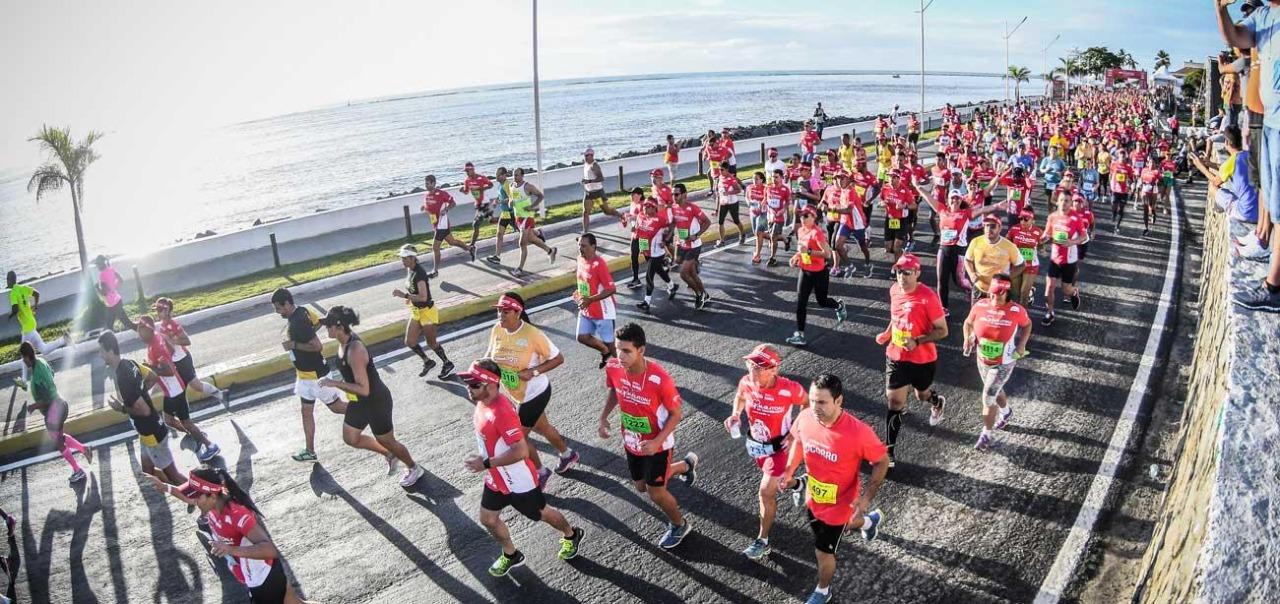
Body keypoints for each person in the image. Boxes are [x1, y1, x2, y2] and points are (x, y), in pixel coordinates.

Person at [459, 359, 585, 577]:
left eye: (474, 384)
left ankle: (571, 534)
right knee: (488, 518)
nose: (468, 388)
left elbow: (521, 451)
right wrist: (484, 459)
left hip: (519, 480)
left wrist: (485, 463)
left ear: (491, 384)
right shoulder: (482, 404)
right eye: (468, 383)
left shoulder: (502, 412)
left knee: (542, 514)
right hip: (496, 478)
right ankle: (511, 554)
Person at [778, 373, 888, 604]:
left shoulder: (858, 432)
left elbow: (882, 461)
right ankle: (869, 522)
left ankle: (823, 590)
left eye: (822, 402)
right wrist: (789, 471)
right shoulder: (806, 417)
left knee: (823, 551)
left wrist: (866, 498)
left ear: (839, 401)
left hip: (841, 504)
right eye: (812, 400)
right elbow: (798, 440)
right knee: (846, 525)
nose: (814, 407)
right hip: (814, 498)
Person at [145, 467, 313, 603]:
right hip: (255, 575)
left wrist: (229, 549)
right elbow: (187, 498)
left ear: (211, 496)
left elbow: (269, 549)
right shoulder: (211, 506)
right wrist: (165, 487)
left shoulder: (236, 514)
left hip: (264, 579)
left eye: (197, 496)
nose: (194, 501)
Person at [598, 322, 699, 549]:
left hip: (658, 444)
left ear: (641, 350)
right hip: (632, 441)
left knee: (655, 492)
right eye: (618, 349)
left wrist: (656, 442)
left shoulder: (660, 379)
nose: (620, 356)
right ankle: (684, 466)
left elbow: (676, 415)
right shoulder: (613, 367)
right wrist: (604, 417)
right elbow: (614, 389)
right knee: (641, 486)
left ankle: (679, 524)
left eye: (627, 351)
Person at [316, 306, 425, 486]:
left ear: (339, 326)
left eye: (328, 325)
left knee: (387, 440)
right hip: (359, 403)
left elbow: (364, 389)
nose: (326, 329)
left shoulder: (355, 349)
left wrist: (335, 383)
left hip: (375, 401)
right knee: (351, 437)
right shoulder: (343, 344)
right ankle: (389, 454)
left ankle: (413, 467)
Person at [1220, 0, 1280, 311]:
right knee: (1270, 193)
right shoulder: (1264, 18)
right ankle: (1271, 272)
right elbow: (1235, 37)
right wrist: (1220, 9)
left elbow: (1234, 62)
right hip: (1267, 119)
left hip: (1271, 121)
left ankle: (1274, 286)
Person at [724, 344, 807, 560]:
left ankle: (763, 540)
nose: (752, 370)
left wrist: (793, 434)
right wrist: (735, 415)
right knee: (780, 483)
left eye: (758, 367)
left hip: (780, 449)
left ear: (773, 370)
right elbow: (741, 396)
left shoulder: (789, 389)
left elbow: (807, 404)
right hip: (758, 445)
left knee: (765, 492)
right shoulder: (747, 382)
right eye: (751, 364)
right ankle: (799, 484)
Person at [487, 293, 578, 485]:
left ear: (517, 313)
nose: (500, 316)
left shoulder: (533, 335)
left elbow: (558, 358)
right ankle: (567, 454)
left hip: (534, 393)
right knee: (542, 427)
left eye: (505, 312)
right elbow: (489, 357)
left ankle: (540, 471)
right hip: (515, 393)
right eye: (498, 311)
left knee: (516, 439)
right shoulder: (497, 330)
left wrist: (534, 371)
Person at [874, 254, 948, 466]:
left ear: (917, 273)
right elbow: (896, 317)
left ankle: (936, 401)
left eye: (907, 273)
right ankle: (889, 451)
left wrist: (918, 341)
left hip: (922, 358)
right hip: (896, 354)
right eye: (898, 272)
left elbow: (942, 331)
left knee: (921, 394)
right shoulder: (894, 290)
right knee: (895, 401)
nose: (902, 277)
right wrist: (887, 333)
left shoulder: (928, 297)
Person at [270, 288, 348, 463]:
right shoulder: (303, 311)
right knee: (313, 411)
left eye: (278, 308)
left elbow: (317, 346)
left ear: (288, 304)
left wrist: (293, 344)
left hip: (313, 376)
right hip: (306, 374)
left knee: (334, 408)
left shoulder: (297, 321)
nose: (277, 312)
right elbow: (317, 322)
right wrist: (307, 333)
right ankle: (310, 451)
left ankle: (368, 411)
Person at [98, 331, 185, 485]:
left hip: (153, 434)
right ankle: (182, 492)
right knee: (147, 471)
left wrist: (122, 408)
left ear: (110, 351)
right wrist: (142, 392)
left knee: (173, 475)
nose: (100, 355)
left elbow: (143, 411)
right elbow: (152, 376)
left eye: (101, 351)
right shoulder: (130, 363)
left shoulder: (123, 378)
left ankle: (198, 494)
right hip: (147, 432)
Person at [136, 315, 222, 462]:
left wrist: (152, 368)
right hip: (170, 390)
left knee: (185, 421)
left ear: (149, 330)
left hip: (174, 391)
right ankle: (197, 434)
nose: (138, 334)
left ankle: (209, 445)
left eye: (140, 331)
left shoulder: (156, 346)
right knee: (169, 420)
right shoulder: (154, 341)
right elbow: (169, 352)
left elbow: (169, 371)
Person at [962, 274, 1032, 451]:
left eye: (998, 294)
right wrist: (968, 337)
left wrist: (1022, 345)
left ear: (1007, 292)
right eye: (992, 293)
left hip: (1004, 362)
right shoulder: (980, 305)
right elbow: (968, 322)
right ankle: (1007, 411)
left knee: (987, 397)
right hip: (982, 358)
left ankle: (986, 433)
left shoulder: (1016, 311)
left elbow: (1028, 325)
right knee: (994, 390)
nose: (994, 297)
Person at [17, 342, 92, 483]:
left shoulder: (37, 370)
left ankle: (78, 470)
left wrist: (33, 406)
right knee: (60, 439)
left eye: (23, 357)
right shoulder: (40, 362)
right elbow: (51, 373)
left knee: (58, 443)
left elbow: (47, 398)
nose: (23, 360)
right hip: (58, 405)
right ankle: (84, 449)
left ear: (27, 356)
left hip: (55, 408)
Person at [786, 208, 848, 347]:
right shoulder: (801, 231)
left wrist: (808, 251)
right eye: (801, 216)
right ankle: (800, 334)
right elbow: (800, 249)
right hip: (805, 271)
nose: (802, 218)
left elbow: (826, 254)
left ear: (813, 217)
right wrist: (795, 257)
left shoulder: (817, 233)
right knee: (801, 302)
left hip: (819, 273)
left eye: (806, 216)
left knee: (822, 301)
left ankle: (839, 306)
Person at [150, 297, 228, 408]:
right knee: (178, 389)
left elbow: (187, 341)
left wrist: (171, 340)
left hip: (182, 360)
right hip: (172, 362)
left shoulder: (174, 325)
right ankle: (182, 415)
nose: (157, 313)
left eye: (159, 310)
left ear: (167, 311)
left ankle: (221, 394)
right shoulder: (159, 326)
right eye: (157, 310)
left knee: (196, 385)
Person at [392, 244, 455, 379]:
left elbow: (423, 297)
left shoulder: (419, 274)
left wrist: (405, 296)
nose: (402, 261)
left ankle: (447, 363)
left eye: (404, 258)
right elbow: (413, 289)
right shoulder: (410, 269)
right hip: (416, 311)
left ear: (412, 258)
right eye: (401, 258)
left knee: (431, 343)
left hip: (427, 312)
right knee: (410, 341)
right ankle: (428, 361)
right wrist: (409, 298)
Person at [1041, 194, 1089, 326]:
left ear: (1070, 203)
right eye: (1061, 200)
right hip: (1055, 259)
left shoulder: (1076, 218)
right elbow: (1047, 234)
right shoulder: (1052, 217)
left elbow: (1084, 236)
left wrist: (1072, 242)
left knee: (1066, 289)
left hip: (1069, 260)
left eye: (1067, 201)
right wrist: (1043, 239)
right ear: (1058, 201)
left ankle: (1074, 292)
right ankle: (1050, 313)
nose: (1064, 203)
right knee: (1049, 288)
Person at [6, 271, 67, 374]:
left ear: (10, 280)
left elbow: (15, 309)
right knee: (44, 349)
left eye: (7, 279)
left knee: (24, 354)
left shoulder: (13, 293)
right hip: (32, 324)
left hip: (26, 329)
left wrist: (10, 315)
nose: (7, 281)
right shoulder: (23, 288)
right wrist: (35, 306)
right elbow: (36, 294)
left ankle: (24, 381)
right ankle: (63, 340)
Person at [574, 233, 618, 368]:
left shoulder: (599, 264)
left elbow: (611, 289)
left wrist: (590, 299)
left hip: (603, 312)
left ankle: (632, 372)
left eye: (584, 246)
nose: (581, 248)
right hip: (586, 308)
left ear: (593, 247)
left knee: (613, 347)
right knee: (582, 337)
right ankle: (604, 351)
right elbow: (584, 280)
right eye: (579, 245)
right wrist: (579, 293)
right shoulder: (580, 259)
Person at [421, 174, 476, 275]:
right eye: (425, 183)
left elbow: (453, 203)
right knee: (452, 242)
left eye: (428, 183)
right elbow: (429, 207)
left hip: (442, 225)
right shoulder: (427, 195)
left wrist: (446, 209)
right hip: (437, 224)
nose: (426, 185)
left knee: (435, 247)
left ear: (433, 183)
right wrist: (424, 208)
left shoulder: (441, 193)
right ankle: (470, 248)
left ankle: (435, 270)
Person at [964, 216, 1026, 305]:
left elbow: (1021, 265)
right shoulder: (975, 242)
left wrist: (1008, 277)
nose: (989, 229)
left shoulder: (1009, 246)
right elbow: (967, 260)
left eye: (993, 226)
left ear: (1000, 228)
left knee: (999, 317)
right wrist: (971, 274)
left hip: (1000, 292)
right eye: (986, 226)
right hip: (980, 288)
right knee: (977, 316)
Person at [509, 167, 559, 277]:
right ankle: (550, 250)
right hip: (518, 218)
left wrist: (532, 207)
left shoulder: (527, 186)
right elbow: (512, 198)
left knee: (522, 243)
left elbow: (541, 196)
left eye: (517, 175)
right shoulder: (512, 186)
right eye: (514, 175)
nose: (515, 177)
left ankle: (519, 269)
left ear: (522, 175)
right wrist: (510, 203)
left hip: (527, 217)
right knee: (531, 239)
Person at [671, 184, 713, 309]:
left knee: (683, 274)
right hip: (681, 243)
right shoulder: (673, 208)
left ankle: (699, 295)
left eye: (676, 194)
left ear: (684, 195)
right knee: (688, 270)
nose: (674, 197)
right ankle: (705, 294)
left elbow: (707, 222)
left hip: (694, 245)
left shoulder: (693, 208)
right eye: (672, 194)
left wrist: (696, 235)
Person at [633, 200, 676, 313]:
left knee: (649, 276)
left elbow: (671, 226)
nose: (645, 208)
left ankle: (646, 302)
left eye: (648, 207)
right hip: (647, 251)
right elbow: (639, 230)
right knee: (660, 271)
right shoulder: (641, 216)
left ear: (654, 208)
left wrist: (666, 240)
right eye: (644, 206)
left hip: (657, 253)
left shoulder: (660, 219)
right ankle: (672, 286)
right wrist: (635, 233)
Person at [1005, 210, 1045, 305]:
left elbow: (1041, 244)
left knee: (1023, 294)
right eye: (1021, 219)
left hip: (1031, 265)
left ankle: (1023, 317)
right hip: (1017, 264)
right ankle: (1030, 291)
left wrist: (1042, 250)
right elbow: (1007, 241)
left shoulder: (1038, 232)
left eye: (1026, 219)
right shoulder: (1014, 229)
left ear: (1032, 220)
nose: (1023, 221)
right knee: (1016, 293)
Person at [580, 148, 621, 232]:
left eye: (586, 155)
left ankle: (622, 216)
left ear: (592, 155)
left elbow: (601, 178)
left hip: (597, 194)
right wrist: (585, 180)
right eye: (584, 155)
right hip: (588, 193)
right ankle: (585, 233)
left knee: (607, 211)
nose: (585, 157)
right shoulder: (586, 164)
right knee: (585, 213)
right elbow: (588, 176)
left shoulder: (594, 165)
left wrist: (589, 181)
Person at [461, 162, 496, 253]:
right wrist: (462, 191)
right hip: (478, 204)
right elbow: (466, 191)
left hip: (484, 203)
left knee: (475, 224)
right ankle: (507, 220)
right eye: (466, 171)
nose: (467, 173)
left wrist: (482, 189)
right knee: (490, 221)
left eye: (468, 171)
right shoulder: (467, 181)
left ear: (472, 169)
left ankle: (472, 245)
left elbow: (491, 185)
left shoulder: (481, 178)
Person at [93, 255, 134, 332]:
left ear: (101, 264)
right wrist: (113, 287)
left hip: (112, 304)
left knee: (111, 327)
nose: (97, 267)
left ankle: (145, 331)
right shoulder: (111, 269)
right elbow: (121, 280)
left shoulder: (102, 275)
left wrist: (97, 288)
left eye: (97, 265)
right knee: (123, 323)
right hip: (117, 300)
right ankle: (143, 330)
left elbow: (104, 293)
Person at [714, 162, 747, 246]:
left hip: (732, 203)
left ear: (727, 169)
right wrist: (716, 209)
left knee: (736, 221)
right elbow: (719, 194)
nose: (720, 171)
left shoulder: (731, 178)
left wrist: (728, 192)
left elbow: (738, 190)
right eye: (719, 169)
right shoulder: (720, 178)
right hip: (723, 203)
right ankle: (722, 241)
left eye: (722, 170)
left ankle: (742, 235)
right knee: (720, 222)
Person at [487, 166, 515, 264]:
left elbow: (511, 198)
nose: (496, 177)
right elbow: (501, 197)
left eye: (498, 175)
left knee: (526, 235)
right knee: (499, 234)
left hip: (511, 213)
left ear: (504, 175)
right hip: (505, 213)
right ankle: (497, 257)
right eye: (496, 175)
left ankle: (538, 235)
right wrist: (496, 201)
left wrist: (500, 202)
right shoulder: (500, 185)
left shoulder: (507, 185)